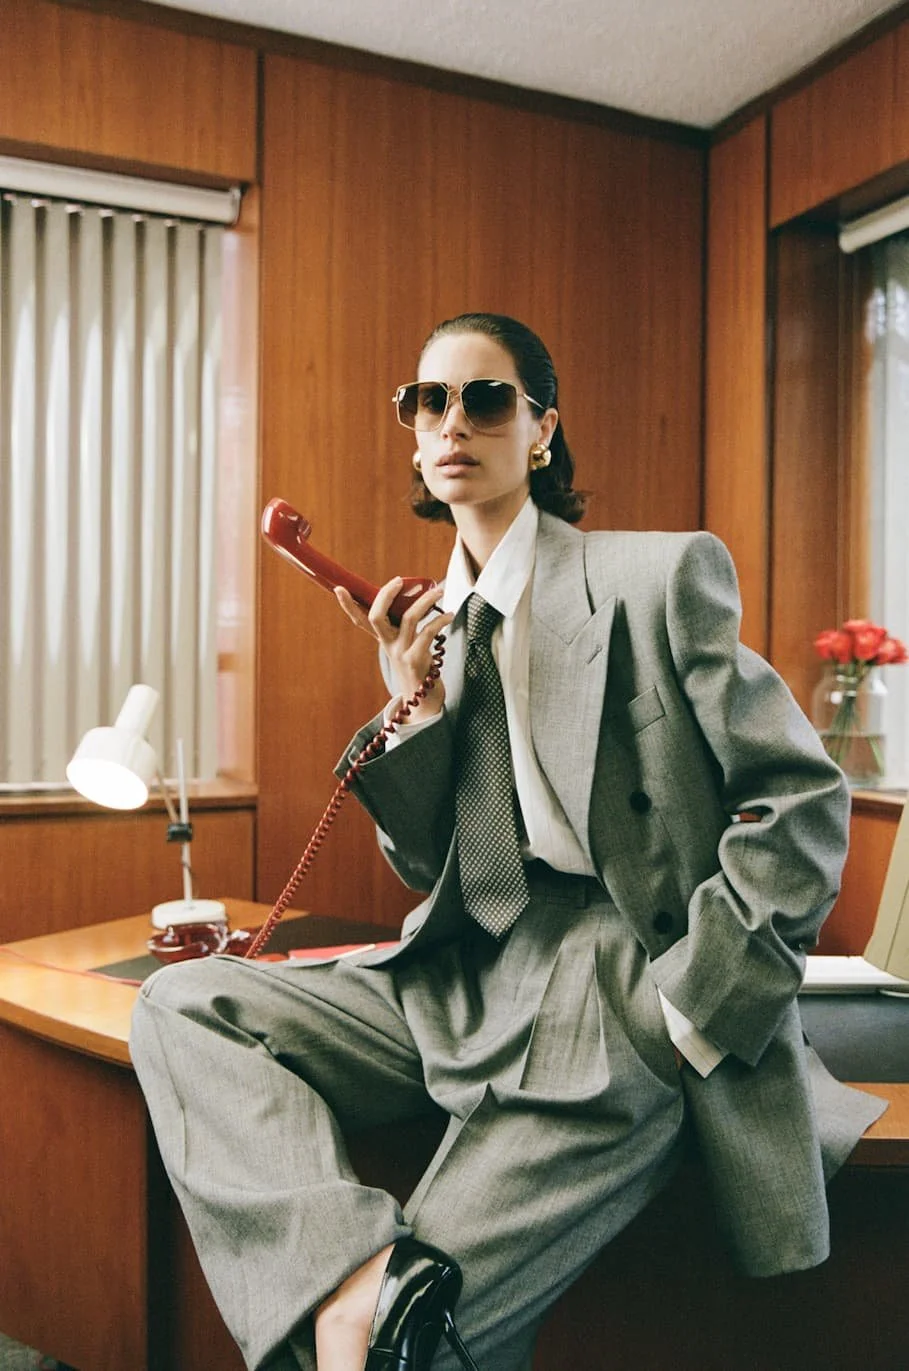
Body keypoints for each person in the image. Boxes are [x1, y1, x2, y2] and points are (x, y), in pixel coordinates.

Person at [130, 312, 887, 1371]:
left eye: (487, 399)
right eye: (428, 402)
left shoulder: (652, 578)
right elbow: (444, 872)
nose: (453, 423)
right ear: (412, 433)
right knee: (183, 1003)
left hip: (616, 980)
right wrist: (414, 712)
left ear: (541, 431)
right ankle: (359, 1274)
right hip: (466, 970)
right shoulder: (439, 631)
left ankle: (377, 1311)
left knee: (405, 1354)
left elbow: (801, 798)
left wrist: (690, 1008)